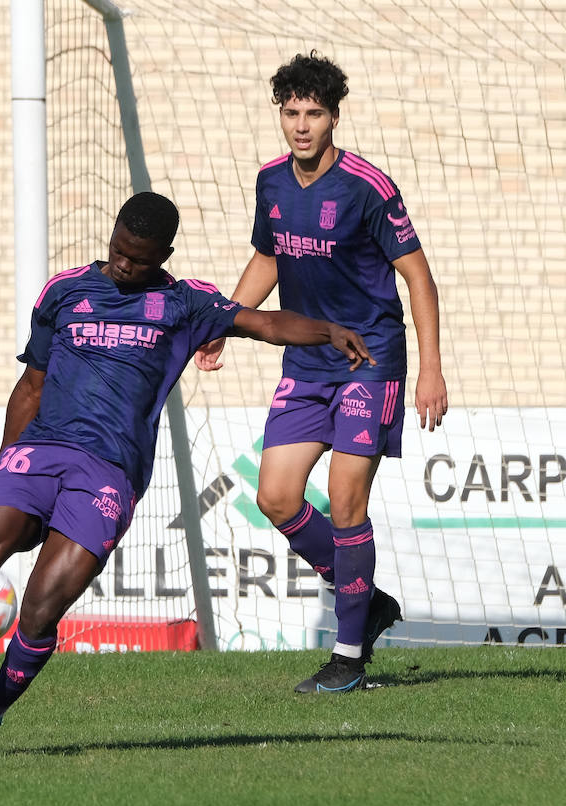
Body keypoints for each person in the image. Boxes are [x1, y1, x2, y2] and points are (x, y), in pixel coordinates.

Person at [0, 191, 375, 753]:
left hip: (109, 472)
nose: (124, 264)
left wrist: (326, 330)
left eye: (138, 257)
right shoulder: (64, 292)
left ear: (164, 254)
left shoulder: (186, 304)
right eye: (118, 249)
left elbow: (265, 322)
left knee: (40, 608)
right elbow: (31, 386)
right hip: (40, 450)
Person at [192, 51, 449, 693]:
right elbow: (267, 259)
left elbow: (417, 277)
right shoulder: (271, 182)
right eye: (291, 112)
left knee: (344, 500)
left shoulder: (369, 186)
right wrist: (225, 322)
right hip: (305, 360)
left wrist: (432, 371)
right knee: (276, 496)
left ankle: (349, 655)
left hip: (371, 358)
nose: (301, 125)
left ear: (334, 117)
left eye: (313, 113)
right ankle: (370, 602)